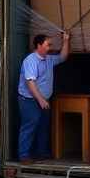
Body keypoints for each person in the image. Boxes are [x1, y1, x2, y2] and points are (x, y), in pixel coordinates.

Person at [17, 32, 70, 163]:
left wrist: (66, 41)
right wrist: (40, 100)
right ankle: (23, 155)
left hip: (43, 100)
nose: (50, 48)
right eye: (48, 45)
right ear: (39, 45)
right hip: (29, 100)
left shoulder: (49, 59)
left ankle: (42, 153)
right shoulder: (31, 60)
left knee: (43, 126)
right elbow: (30, 82)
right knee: (30, 125)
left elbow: (63, 57)